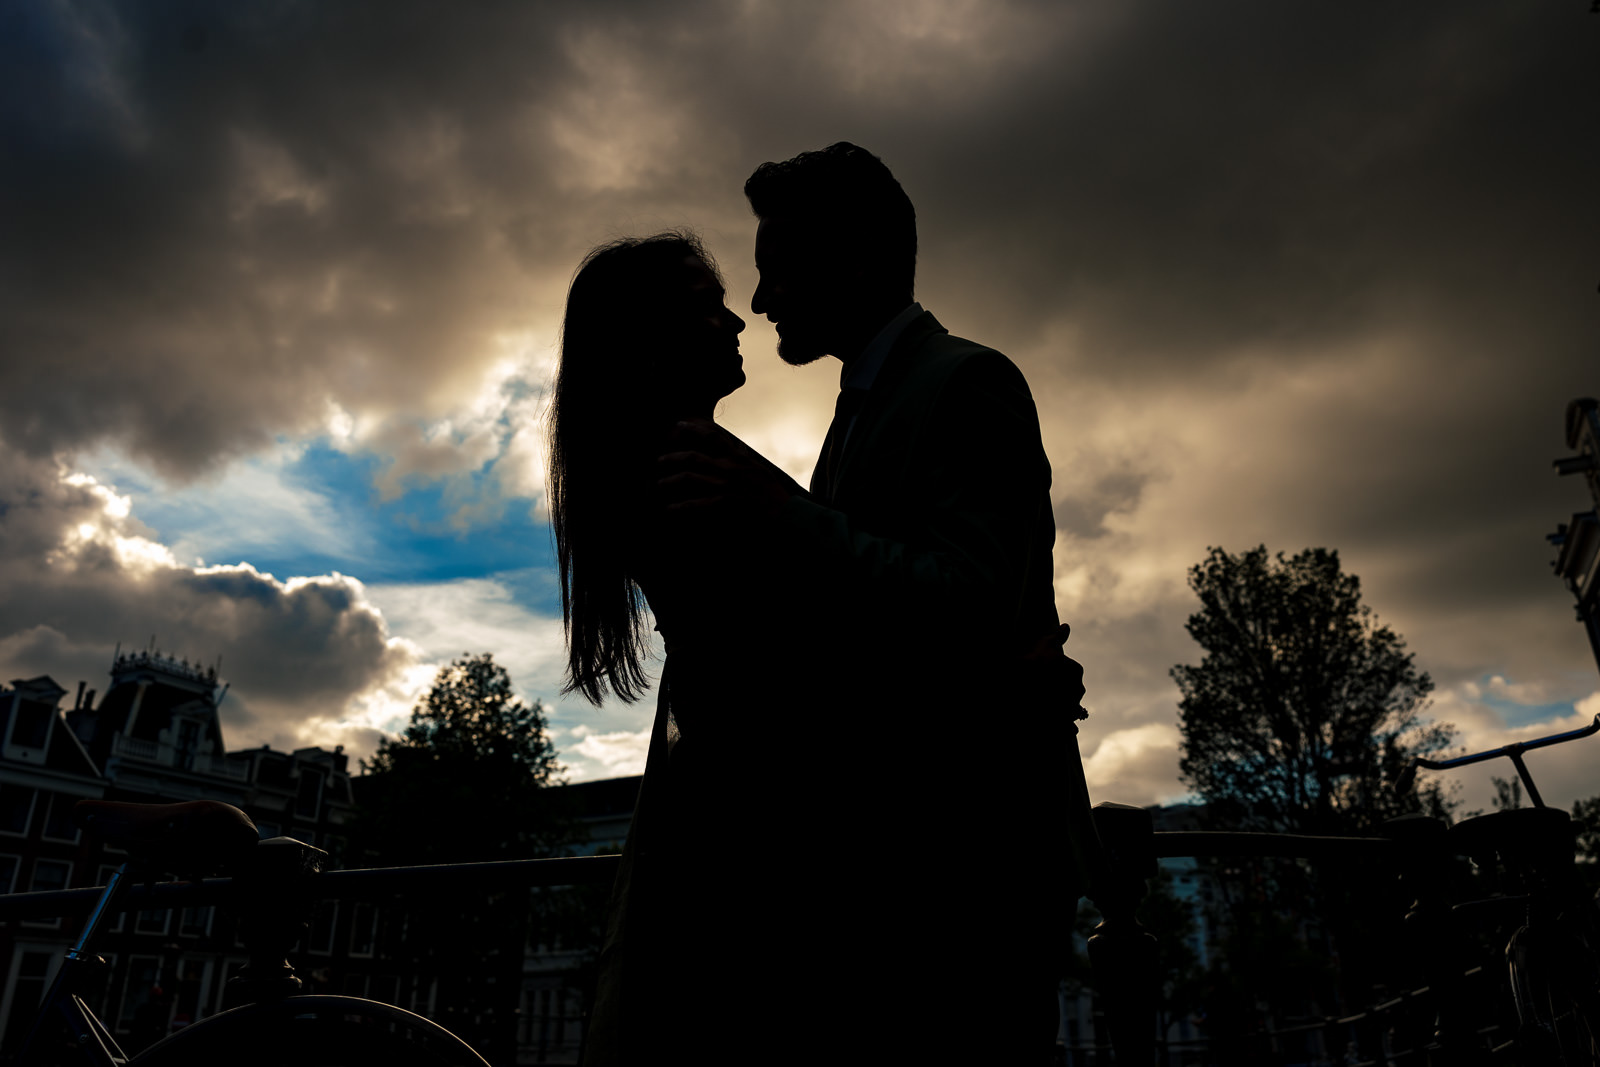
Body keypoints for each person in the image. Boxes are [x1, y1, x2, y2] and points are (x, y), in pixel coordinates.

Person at [650, 142, 1094, 1064]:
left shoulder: (969, 382)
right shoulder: (868, 405)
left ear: (852, 258)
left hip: (967, 864)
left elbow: (969, 599)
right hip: (909, 863)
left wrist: (776, 510)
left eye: (775, 267)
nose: (762, 298)